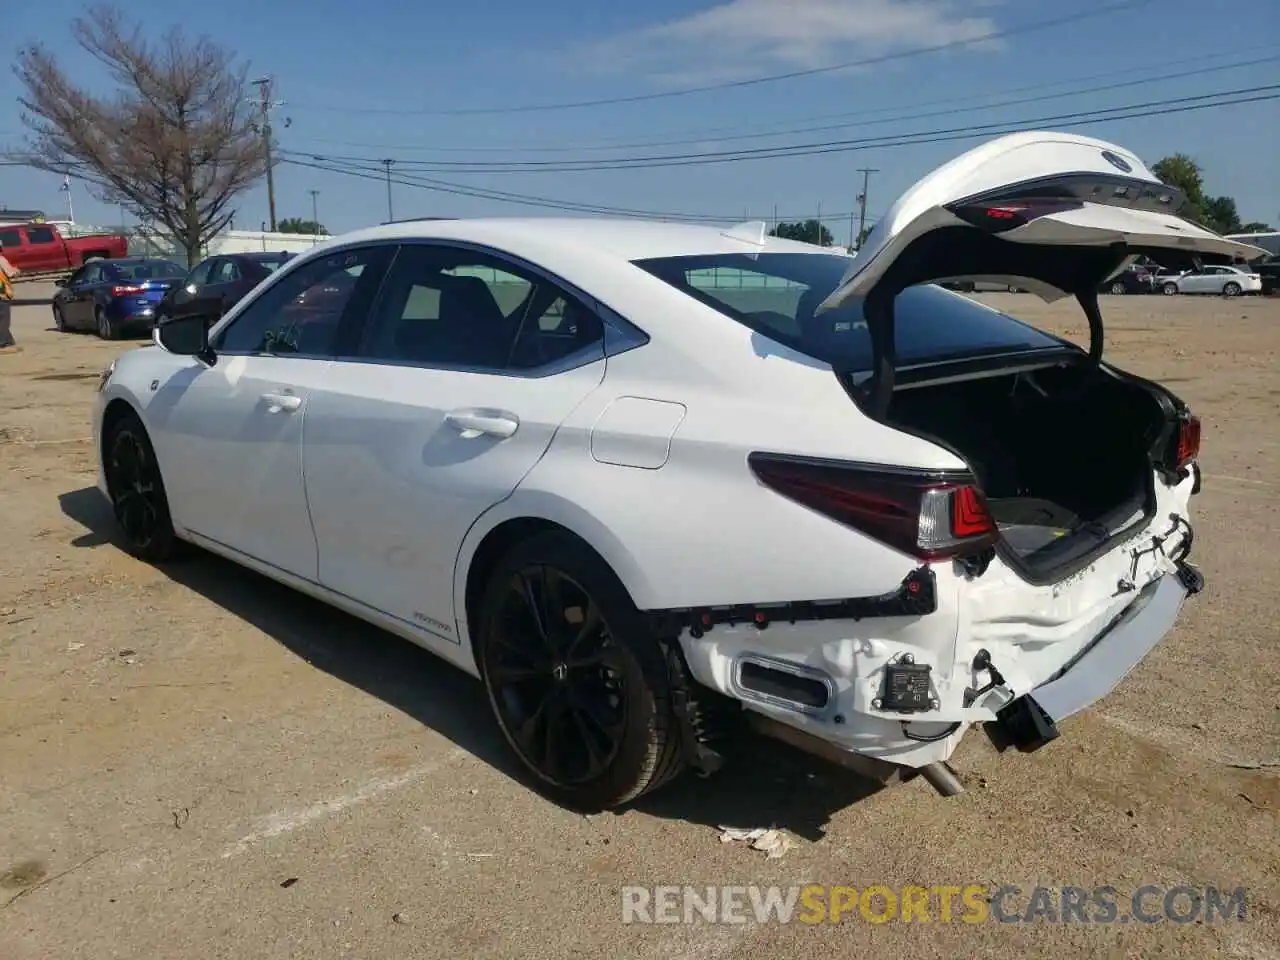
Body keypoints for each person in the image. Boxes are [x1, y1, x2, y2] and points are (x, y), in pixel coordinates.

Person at [0, 242, 20, 353]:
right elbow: (10, 273)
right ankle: (3, 343)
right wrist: (17, 271)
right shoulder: (1, 259)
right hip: (2, 294)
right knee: (3, 319)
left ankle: (9, 341)